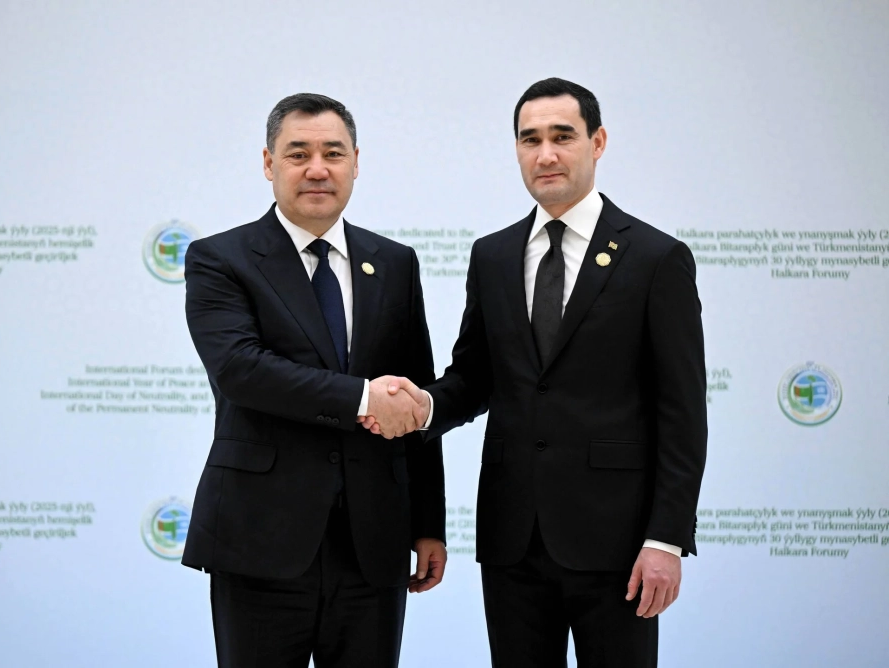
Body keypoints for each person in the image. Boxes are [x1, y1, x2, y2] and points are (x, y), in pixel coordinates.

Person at [361, 78, 707, 667]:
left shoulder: (656, 258)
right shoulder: (492, 255)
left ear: (598, 143)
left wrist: (665, 539)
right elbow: (474, 376)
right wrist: (423, 407)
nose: (545, 154)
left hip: (619, 545)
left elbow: (682, 411)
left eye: (562, 136)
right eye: (530, 139)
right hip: (512, 539)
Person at [182, 92, 446, 668]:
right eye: (298, 154)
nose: (317, 169)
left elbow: (414, 397)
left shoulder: (394, 262)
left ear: (356, 162)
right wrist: (362, 398)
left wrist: (429, 524)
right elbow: (242, 370)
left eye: (333, 152)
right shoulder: (220, 258)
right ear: (268, 163)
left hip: (373, 544)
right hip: (261, 540)